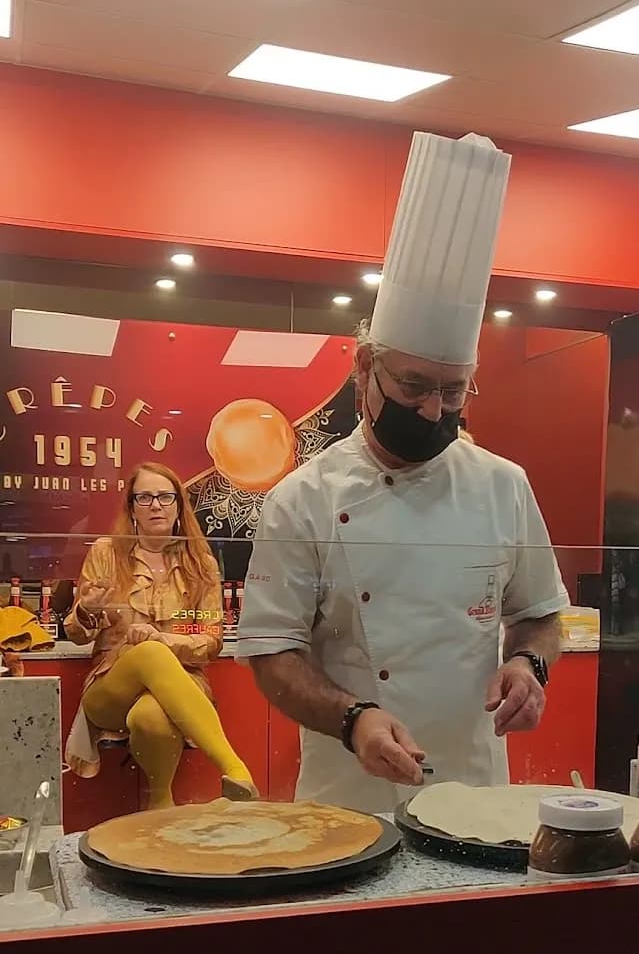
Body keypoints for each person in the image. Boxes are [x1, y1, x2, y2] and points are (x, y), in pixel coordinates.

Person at [238, 131, 568, 813]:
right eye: (415, 384)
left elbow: (539, 614)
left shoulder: (504, 484)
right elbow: (272, 655)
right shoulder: (302, 500)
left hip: (477, 787)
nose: (431, 409)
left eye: (454, 391)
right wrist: (352, 716)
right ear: (365, 369)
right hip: (350, 795)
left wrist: (528, 665)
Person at [65, 462, 256, 809]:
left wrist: (165, 639)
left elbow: (212, 640)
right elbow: (75, 633)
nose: (156, 505)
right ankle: (235, 767)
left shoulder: (201, 563)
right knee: (150, 653)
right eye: (145, 497)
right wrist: (87, 610)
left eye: (165, 497)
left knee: (151, 715)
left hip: (183, 683)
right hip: (111, 686)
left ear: (179, 506)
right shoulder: (107, 552)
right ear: (132, 507)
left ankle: (159, 805)